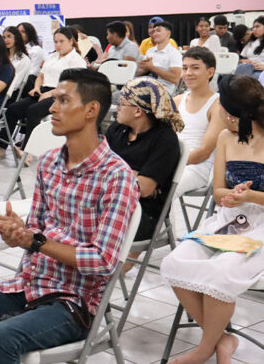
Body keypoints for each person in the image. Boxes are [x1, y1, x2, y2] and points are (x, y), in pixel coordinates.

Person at [0, 68, 140, 364]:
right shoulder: (49, 163)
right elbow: (35, 229)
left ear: (91, 110)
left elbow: (102, 261)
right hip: (29, 285)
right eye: (54, 99)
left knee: (2, 338)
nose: (52, 107)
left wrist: (34, 240)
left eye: (62, 100)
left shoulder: (116, 176)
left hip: (74, 304)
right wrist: (17, 232)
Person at [160, 74, 264, 364]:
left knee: (222, 271)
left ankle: (204, 349)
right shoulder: (225, 137)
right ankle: (221, 340)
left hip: (262, 225)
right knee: (173, 263)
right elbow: (218, 190)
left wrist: (251, 197)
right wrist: (229, 197)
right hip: (230, 218)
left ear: (231, 114)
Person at [106, 77, 182, 251]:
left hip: (143, 212)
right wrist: (133, 175)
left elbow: (145, 189)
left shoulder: (165, 140)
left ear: (138, 111)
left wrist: (110, 171)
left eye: (122, 103)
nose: (117, 107)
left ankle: (97, 272)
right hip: (109, 200)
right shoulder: (117, 128)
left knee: (87, 223)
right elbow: (95, 167)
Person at [0, 27, 86, 160]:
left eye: (61, 41)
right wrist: (37, 88)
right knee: (13, 108)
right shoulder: (52, 56)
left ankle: (28, 151)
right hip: (43, 91)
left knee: (33, 111)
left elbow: (71, 85)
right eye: (55, 41)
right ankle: (1, 146)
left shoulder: (76, 60)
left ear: (71, 41)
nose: (58, 45)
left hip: (63, 96)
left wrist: (51, 93)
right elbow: (41, 76)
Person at [172, 48, 226, 203]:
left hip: (197, 168)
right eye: (184, 68)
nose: (188, 73)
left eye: (195, 68)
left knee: (163, 188)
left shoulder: (217, 104)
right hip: (172, 161)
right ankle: (166, 227)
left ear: (210, 72)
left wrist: (167, 163)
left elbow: (204, 152)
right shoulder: (177, 100)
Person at [138, 21, 182, 96]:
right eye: (154, 31)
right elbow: (142, 71)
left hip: (164, 90)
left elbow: (175, 79)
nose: (154, 34)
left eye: (158, 31)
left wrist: (152, 68)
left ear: (168, 33)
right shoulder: (150, 51)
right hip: (148, 85)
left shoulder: (174, 53)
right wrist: (142, 67)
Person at [18, 21, 46, 94]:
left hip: (30, 82)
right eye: (18, 32)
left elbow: (34, 71)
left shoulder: (35, 50)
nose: (19, 34)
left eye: (23, 32)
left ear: (29, 34)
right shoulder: (15, 51)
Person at [3, 25, 31, 94]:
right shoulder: (1, 57)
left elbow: (16, 84)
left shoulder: (24, 59)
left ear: (16, 38)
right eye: (4, 37)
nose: (6, 40)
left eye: (9, 36)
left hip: (9, 93)